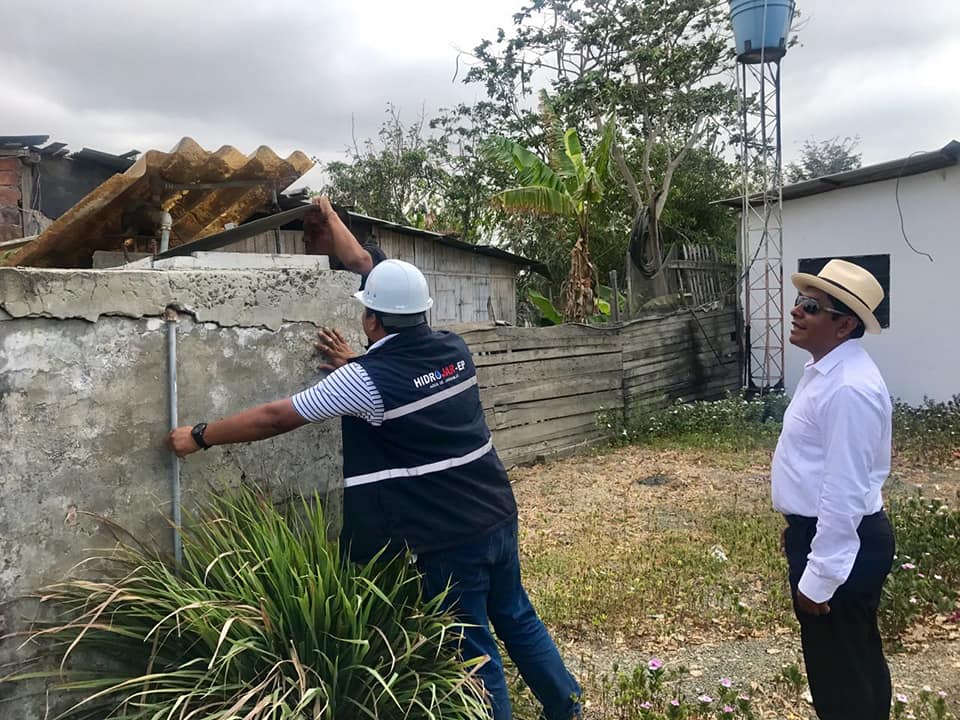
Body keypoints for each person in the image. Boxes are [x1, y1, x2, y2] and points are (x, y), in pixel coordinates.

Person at [165, 259, 582, 720]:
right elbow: (408, 379)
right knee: (516, 615)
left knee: (473, 648)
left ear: (372, 319)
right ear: (423, 312)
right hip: (496, 511)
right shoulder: (454, 351)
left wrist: (200, 435)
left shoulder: (365, 381)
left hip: (448, 535)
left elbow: (276, 417)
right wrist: (361, 362)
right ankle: (567, 707)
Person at [772, 259, 894, 719]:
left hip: (845, 546)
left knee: (842, 679)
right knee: (850, 664)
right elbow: (817, 467)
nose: (795, 311)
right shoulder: (825, 371)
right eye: (800, 302)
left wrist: (821, 574)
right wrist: (798, 525)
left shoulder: (847, 388)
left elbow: (844, 489)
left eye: (811, 306)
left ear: (843, 325)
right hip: (826, 534)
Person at [301, 196, 385, 288]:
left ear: (337, 230)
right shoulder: (316, 270)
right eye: (305, 231)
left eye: (315, 231)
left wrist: (330, 214)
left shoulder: (373, 252)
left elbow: (360, 263)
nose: (306, 239)